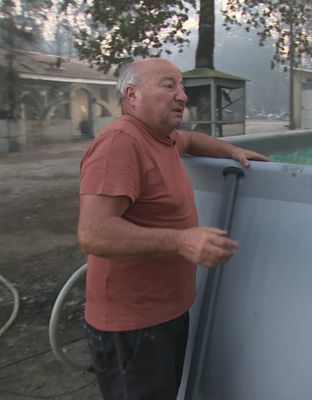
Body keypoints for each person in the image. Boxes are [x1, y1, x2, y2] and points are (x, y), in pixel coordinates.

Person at [77, 58, 269, 399]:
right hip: (132, 328)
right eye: (168, 86)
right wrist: (182, 241)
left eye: (181, 87)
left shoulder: (161, 137)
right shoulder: (120, 142)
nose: (182, 96)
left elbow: (192, 141)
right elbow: (94, 232)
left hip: (164, 315)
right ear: (132, 95)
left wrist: (233, 151)